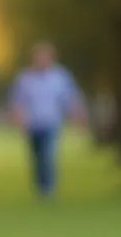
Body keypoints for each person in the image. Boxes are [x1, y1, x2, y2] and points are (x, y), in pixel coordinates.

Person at [8, 42, 86, 200]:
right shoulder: (25, 79)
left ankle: (49, 189)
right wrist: (18, 119)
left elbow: (70, 98)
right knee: (37, 157)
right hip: (33, 124)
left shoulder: (60, 77)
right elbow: (18, 101)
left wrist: (77, 114)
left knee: (48, 156)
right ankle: (40, 187)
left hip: (51, 122)